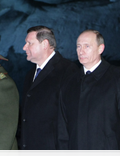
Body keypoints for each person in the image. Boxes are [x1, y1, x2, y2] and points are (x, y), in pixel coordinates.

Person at [59, 29, 120, 156]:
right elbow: (63, 132)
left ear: (100, 48)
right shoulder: (69, 82)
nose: (81, 51)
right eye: (78, 46)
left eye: (87, 46)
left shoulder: (119, 78)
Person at [19, 25, 78, 156]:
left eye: (29, 43)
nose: (24, 47)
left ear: (45, 44)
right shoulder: (30, 74)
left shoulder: (67, 71)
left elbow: (72, 120)